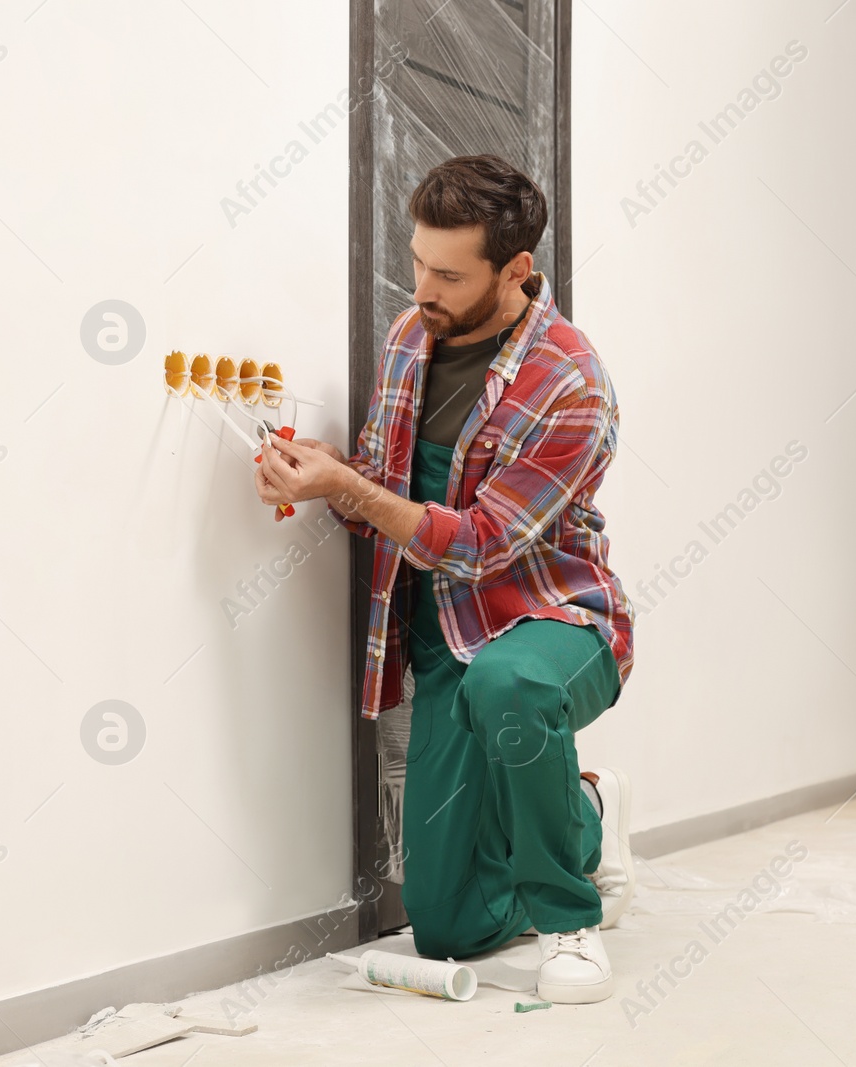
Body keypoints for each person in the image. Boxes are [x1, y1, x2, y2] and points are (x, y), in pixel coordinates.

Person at [254, 154, 636, 1004]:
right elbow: (388, 496)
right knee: (446, 925)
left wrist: (350, 488)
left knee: (511, 685)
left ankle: (571, 921)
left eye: (448, 273)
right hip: (441, 635)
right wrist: (330, 475)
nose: (422, 286)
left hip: (551, 620)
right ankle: (585, 812)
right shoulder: (408, 337)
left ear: (516, 271)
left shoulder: (570, 384)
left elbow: (479, 543)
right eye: (419, 260)